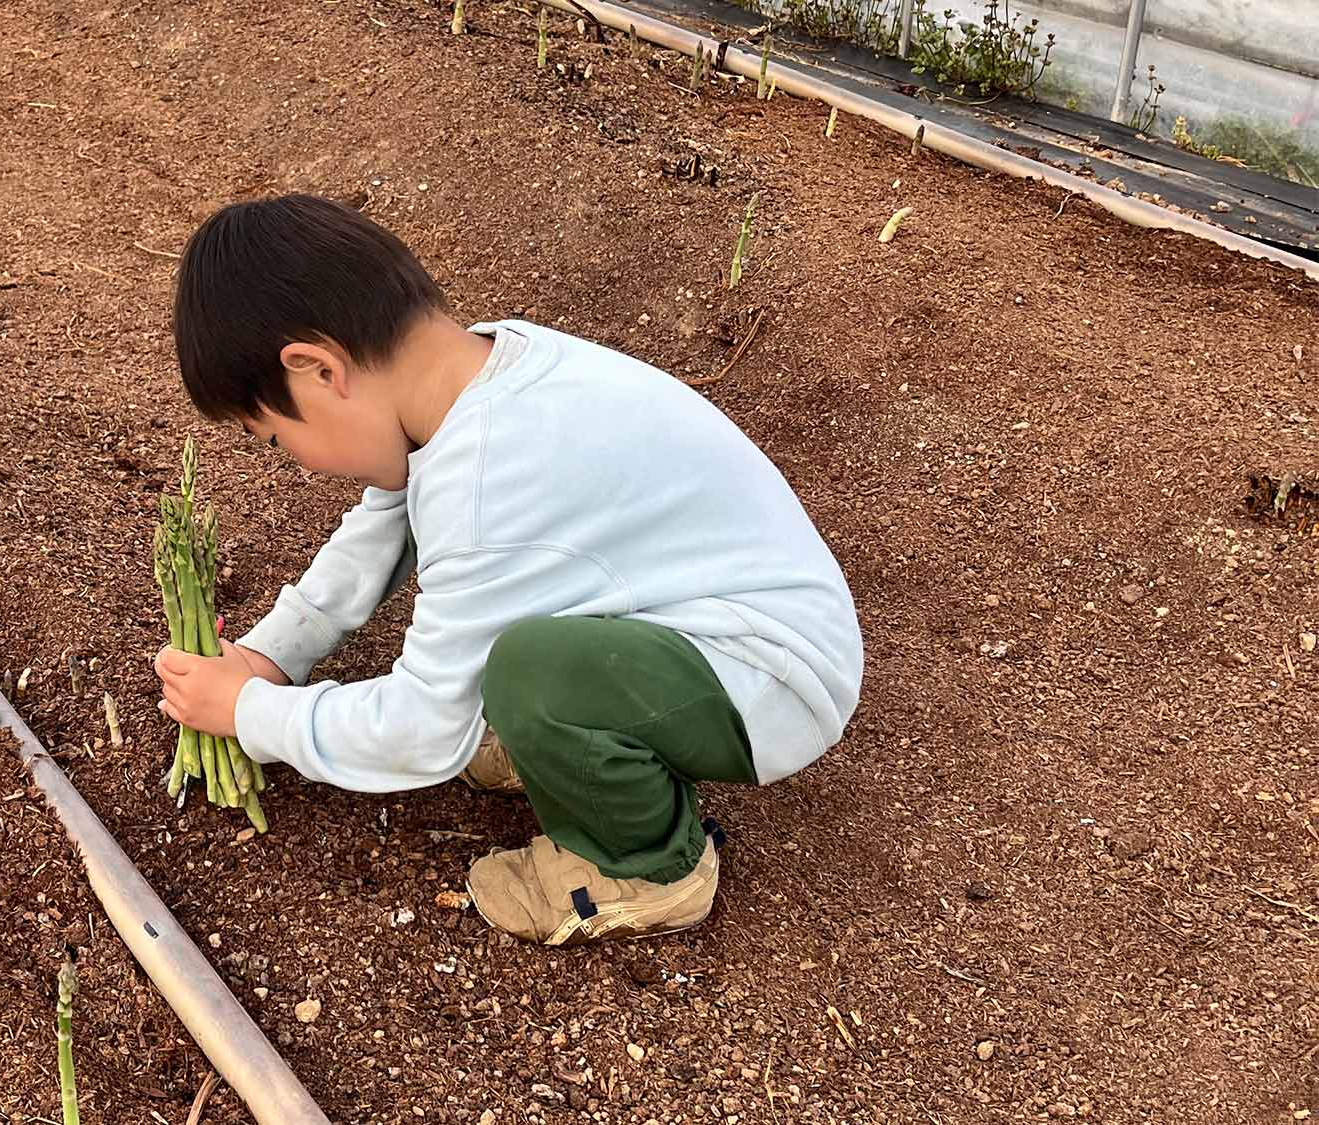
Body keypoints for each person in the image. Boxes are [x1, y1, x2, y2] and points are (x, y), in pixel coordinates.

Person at [153, 194, 862, 945]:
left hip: (776, 677)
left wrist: (251, 715)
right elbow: (383, 528)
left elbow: (426, 727)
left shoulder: (490, 474)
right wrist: (268, 656)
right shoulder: (479, 370)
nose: (291, 461)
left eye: (272, 438)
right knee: (521, 668)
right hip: (719, 621)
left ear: (319, 370)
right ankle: (576, 744)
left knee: (531, 671)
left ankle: (650, 866)